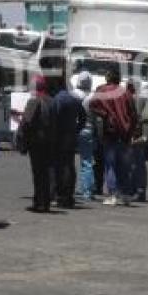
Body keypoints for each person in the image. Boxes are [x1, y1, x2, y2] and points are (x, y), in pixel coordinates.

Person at [89, 67, 138, 206]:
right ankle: (125, 194)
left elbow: (92, 105)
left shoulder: (102, 90)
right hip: (125, 133)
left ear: (108, 77)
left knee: (110, 164)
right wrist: (132, 130)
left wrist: (104, 114)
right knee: (124, 165)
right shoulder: (126, 93)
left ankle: (113, 194)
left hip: (110, 131)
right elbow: (134, 114)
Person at [18, 75, 56, 212]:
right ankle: (45, 201)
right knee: (46, 173)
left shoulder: (33, 101)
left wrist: (22, 141)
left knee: (38, 173)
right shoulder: (52, 101)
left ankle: (39, 202)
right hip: (50, 141)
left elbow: (26, 123)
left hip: (37, 142)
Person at [52, 78, 85, 208]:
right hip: (71, 136)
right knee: (69, 166)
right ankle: (68, 196)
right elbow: (83, 117)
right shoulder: (74, 99)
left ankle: (59, 195)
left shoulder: (58, 99)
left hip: (60, 137)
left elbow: (54, 116)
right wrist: (77, 129)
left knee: (58, 167)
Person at [71, 72, 98, 202]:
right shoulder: (92, 97)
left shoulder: (74, 95)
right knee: (88, 161)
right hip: (89, 130)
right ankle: (88, 189)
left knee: (74, 160)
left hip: (76, 129)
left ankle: (81, 189)